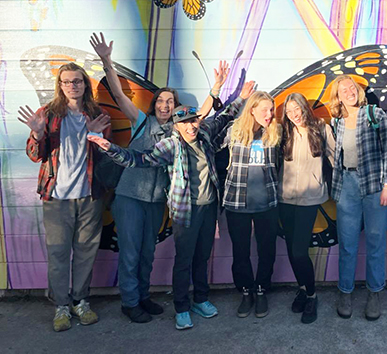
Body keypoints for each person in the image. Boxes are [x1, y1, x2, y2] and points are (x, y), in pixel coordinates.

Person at [87, 81, 255, 331]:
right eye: (185, 122)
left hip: (209, 208)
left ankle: (201, 299)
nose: (191, 126)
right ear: (176, 126)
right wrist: (112, 149)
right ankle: (181, 306)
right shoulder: (171, 144)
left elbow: (225, 115)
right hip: (185, 210)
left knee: (202, 257)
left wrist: (241, 98)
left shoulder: (205, 133)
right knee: (183, 259)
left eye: (194, 120)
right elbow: (139, 159)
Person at [89, 32, 228, 324]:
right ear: (154, 105)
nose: (165, 105)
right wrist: (106, 61)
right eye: (161, 101)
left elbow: (201, 116)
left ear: (176, 109)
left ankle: (143, 296)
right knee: (130, 252)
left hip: (156, 201)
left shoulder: (181, 130)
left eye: (170, 101)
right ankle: (130, 302)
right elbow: (117, 94)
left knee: (147, 253)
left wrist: (216, 88)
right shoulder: (142, 121)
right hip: (130, 196)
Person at [18, 63, 112, 332]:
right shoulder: (47, 114)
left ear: (85, 85)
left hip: (89, 196)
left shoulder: (98, 114)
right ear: (60, 86)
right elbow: (36, 155)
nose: (73, 85)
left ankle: (80, 301)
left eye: (78, 81)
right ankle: (61, 305)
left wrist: (94, 133)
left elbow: (108, 156)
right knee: (58, 253)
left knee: (85, 253)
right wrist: (38, 132)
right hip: (56, 197)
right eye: (67, 81)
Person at [329, 75, 387, 321]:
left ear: (358, 90)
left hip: (375, 185)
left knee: (376, 242)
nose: (349, 92)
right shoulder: (336, 121)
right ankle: (345, 292)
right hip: (346, 185)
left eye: (352, 88)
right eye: (343, 90)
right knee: (347, 244)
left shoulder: (375, 115)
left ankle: (374, 293)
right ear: (337, 98)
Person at [222, 91, 281, 319]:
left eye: (271, 109)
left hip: (267, 202)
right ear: (252, 109)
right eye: (264, 109)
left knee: (267, 251)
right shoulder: (234, 131)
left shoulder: (275, 133)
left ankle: (261, 289)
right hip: (237, 202)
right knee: (241, 252)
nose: (269, 114)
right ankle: (246, 291)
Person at [278, 93, 335, 324]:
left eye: (297, 109)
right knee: (292, 250)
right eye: (289, 111)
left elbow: (333, 158)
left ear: (305, 107)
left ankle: (311, 295)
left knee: (300, 250)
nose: (294, 115)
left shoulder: (321, 128)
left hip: (310, 198)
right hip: (285, 198)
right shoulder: (284, 131)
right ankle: (302, 288)